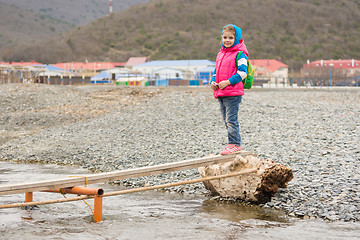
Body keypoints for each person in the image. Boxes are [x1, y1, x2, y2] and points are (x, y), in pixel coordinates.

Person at [210, 24, 249, 155]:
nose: (227, 40)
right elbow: (216, 71)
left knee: (231, 120)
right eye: (225, 37)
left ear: (236, 38)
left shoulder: (240, 54)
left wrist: (227, 82)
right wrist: (213, 81)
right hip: (221, 92)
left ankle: (235, 144)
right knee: (226, 120)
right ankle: (231, 143)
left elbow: (243, 73)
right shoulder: (220, 54)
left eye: (231, 38)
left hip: (233, 93)